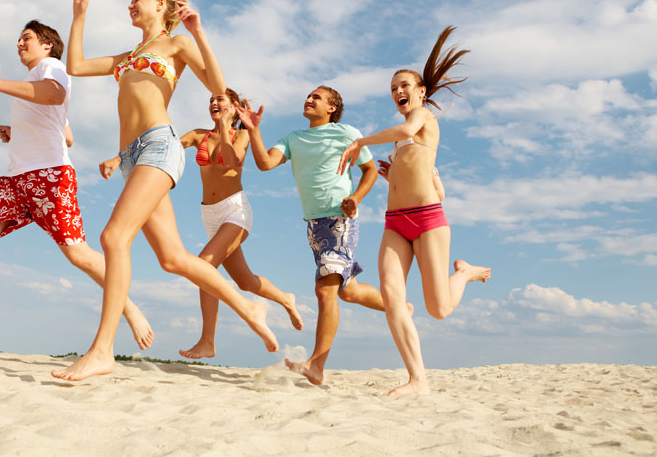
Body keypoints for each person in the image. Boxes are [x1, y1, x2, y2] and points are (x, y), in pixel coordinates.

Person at [51, 0, 277, 382]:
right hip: (131, 157)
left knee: (113, 238)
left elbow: (217, 86)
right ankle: (249, 308)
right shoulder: (127, 56)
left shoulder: (175, 45)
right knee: (172, 258)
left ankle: (102, 351)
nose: (131, 4)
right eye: (130, 0)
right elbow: (76, 66)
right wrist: (80, 15)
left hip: (159, 145)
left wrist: (198, 32)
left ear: (160, 5)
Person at [0, 20, 153, 356]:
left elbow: (55, 94)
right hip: (16, 180)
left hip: (49, 176)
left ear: (47, 45)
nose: (20, 43)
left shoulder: (51, 67)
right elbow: (67, 136)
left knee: (78, 254)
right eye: (19, 39)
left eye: (27, 38)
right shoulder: (34, 79)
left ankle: (129, 308)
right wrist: (17, 131)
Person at [338, 26, 491, 396]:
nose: (398, 92)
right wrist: (392, 175)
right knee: (392, 297)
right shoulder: (404, 143)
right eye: (393, 89)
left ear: (421, 91)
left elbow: (407, 132)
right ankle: (417, 379)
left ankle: (465, 273)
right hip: (395, 222)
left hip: (428, 220)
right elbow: (418, 170)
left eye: (404, 85)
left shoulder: (422, 116)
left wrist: (360, 141)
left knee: (438, 309)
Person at [100, 88, 303, 360]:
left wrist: (225, 126)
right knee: (244, 280)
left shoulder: (242, 135)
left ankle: (208, 341)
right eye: (211, 100)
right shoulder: (199, 135)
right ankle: (286, 298)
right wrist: (119, 157)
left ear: (234, 107)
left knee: (205, 265)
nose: (214, 103)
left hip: (235, 212)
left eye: (220, 100)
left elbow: (230, 162)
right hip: (210, 215)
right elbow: (165, 146)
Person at [236, 85, 391, 385]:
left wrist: (356, 198)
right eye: (308, 96)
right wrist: (253, 130)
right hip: (314, 225)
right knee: (347, 291)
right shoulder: (293, 139)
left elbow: (370, 170)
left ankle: (316, 365)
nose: (309, 99)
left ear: (332, 107)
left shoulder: (347, 134)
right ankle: (397, 305)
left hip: (340, 218)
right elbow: (265, 163)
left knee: (324, 291)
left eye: (317, 97)